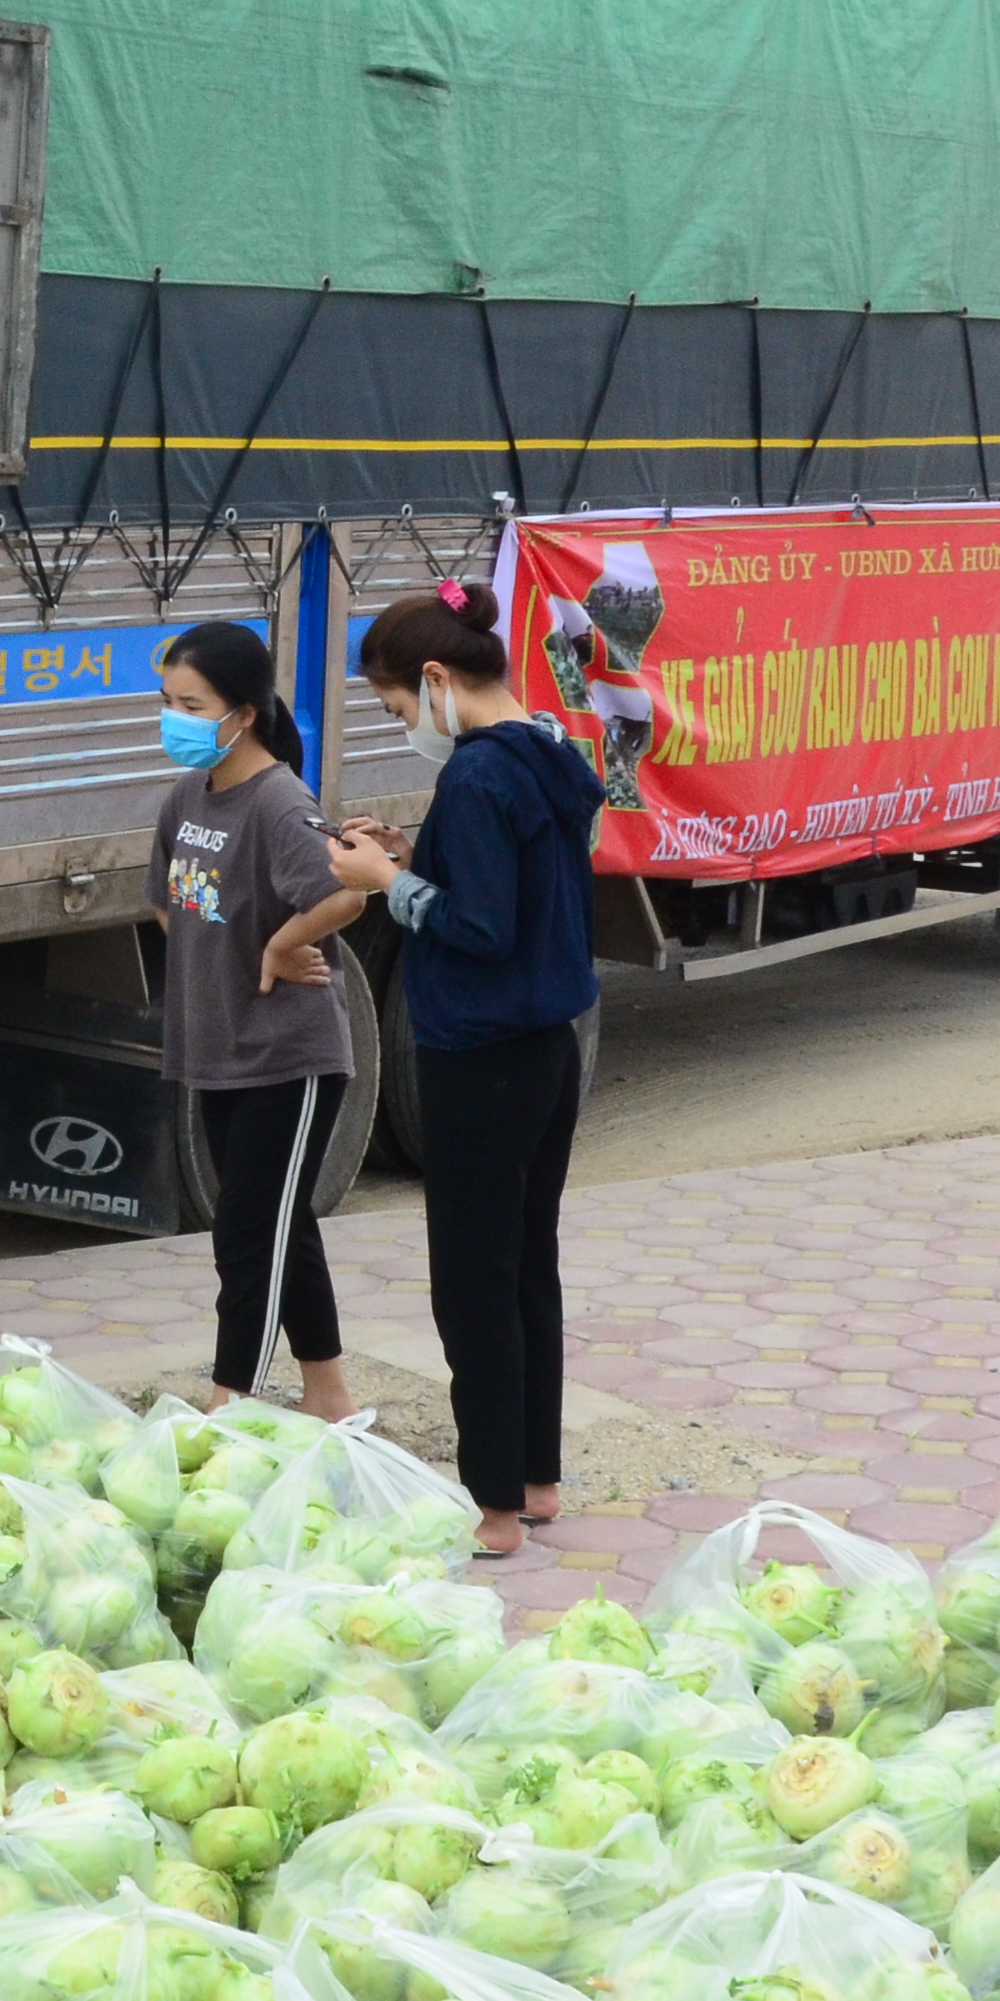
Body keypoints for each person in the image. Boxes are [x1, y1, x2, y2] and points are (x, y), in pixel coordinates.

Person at [327, 580, 604, 1562]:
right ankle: (535, 1477)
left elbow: (478, 929)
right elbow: (512, 893)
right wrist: (413, 863)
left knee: (473, 1285)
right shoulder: (545, 751)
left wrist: (383, 882)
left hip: (480, 1057)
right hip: (548, 1049)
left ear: (436, 680)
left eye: (400, 707)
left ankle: (492, 1508)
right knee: (527, 1266)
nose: (405, 724)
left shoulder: (479, 778)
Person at [150, 621, 368, 1425]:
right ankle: (331, 1399)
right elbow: (170, 906)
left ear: (241, 714)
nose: (173, 717)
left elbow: (346, 889)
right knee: (279, 1221)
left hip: (288, 1055)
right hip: (215, 1049)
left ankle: (230, 1404)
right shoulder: (187, 797)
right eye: (167, 701)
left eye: (190, 703)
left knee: (245, 1237)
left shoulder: (280, 801)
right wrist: (224, 959)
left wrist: (280, 945)